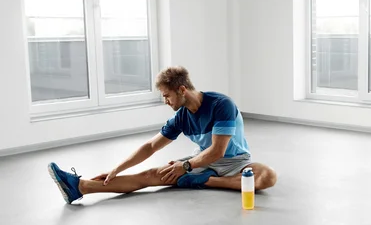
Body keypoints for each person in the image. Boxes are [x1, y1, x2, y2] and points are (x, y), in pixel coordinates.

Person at [47, 66, 277, 204]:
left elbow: (219, 150)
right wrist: (118, 168)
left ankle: (208, 181)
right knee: (151, 175)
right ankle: (80, 187)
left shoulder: (221, 104)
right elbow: (151, 147)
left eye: (166, 95)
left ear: (182, 90)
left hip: (234, 162)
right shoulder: (181, 117)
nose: (165, 101)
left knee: (267, 177)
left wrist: (186, 168)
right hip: (201, 162)